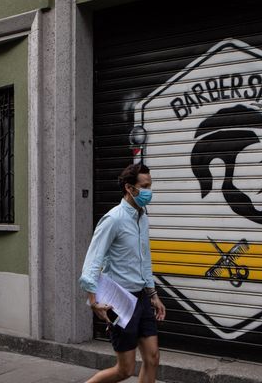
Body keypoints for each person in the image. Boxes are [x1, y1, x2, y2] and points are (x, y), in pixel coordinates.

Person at [79, 163, 166, 383]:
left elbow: (144, 259)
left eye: (150, 186)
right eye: (144, 186)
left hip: (142, 297)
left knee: (153, 357)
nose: (149, 191)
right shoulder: (113, 219)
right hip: (120, 300)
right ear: (129, 188)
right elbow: (93, 259)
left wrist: (153, 293)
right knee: (125, 370)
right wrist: (93, 299)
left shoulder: (142, 217)